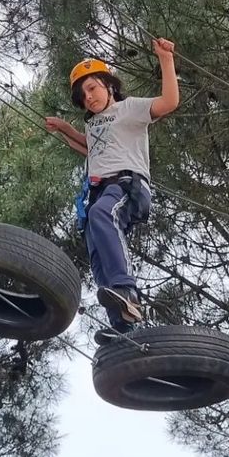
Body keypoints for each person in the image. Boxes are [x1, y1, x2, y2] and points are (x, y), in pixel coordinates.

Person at [44, 39, 179, 344]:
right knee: (96, 252)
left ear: (109, 85)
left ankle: (126, 289)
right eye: (83, 94)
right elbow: (88, 148)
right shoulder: (93, 126)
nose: (88, 97)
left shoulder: (129, 109)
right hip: (100, 190)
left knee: (103, 213)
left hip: (126, 185)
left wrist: (166, 59)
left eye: (92, 88)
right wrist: (65, 129)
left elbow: (169, 102)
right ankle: (122, 324)